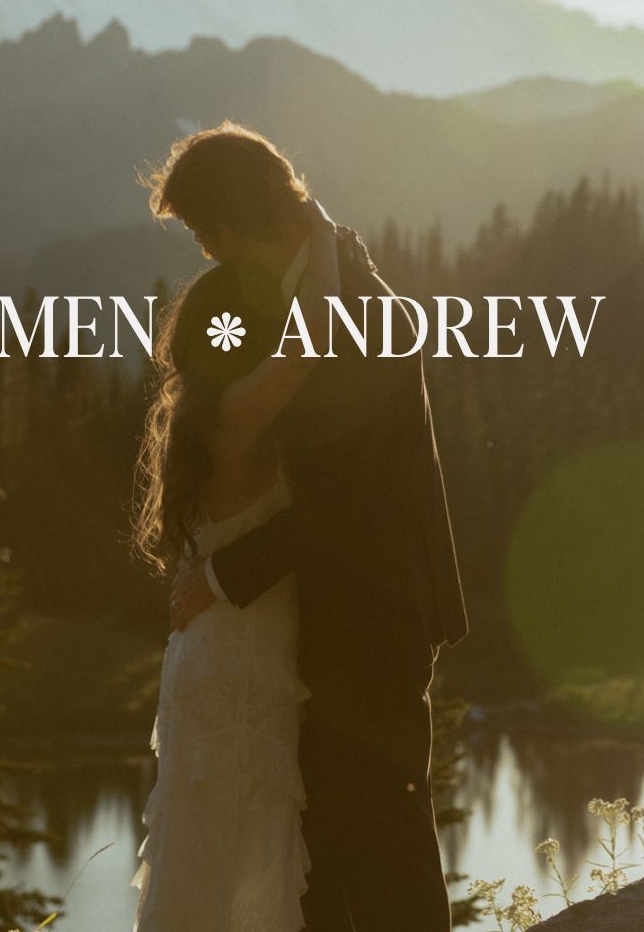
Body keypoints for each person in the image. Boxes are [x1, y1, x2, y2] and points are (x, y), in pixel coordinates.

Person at [149, 121, 469, 932]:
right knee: (319, 844)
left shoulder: (363, 312)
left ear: (229, 222)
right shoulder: (314, 288)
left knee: (385, 838)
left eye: (201, 231)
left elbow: (344, 507)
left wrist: (222, 577)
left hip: (371, 613)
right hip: (326, 614)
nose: (206, 252)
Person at [130, 184, 342, 931]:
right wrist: (321, 241)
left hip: (210, 654)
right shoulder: (243, 414)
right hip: (243, 666)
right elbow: (314, 342)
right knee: (242, 853)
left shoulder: (194, 413)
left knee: (200, 848)